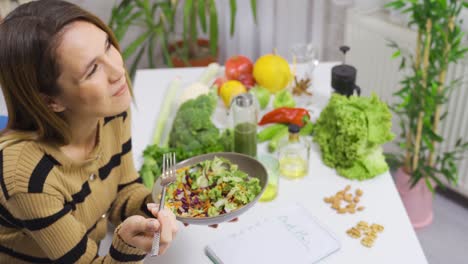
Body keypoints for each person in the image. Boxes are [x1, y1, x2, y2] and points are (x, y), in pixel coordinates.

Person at [0, 0, 178, 263]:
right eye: (93, 69)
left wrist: (174, 205)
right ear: (51, 101)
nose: (118, 70)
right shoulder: (28, 178)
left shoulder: (108, 110)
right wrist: (126, 246)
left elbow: (123, 193)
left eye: (108, 45)